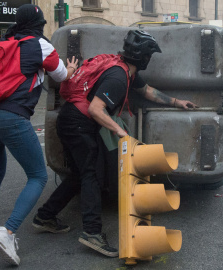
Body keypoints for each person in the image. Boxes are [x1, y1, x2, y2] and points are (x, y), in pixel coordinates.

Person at [32, 30, 198, 258]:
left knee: (81, 174)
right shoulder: (118, 78)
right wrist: (120, 131)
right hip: (78, 124)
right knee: (92, 175)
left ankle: (45, 216)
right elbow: (95, 109)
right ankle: (92, 233)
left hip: (72, 121)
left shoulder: (124, 68)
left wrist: (177, 102)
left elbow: (147, 91)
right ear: (145, 58)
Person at [0, 4, 78, 266]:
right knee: (38, 176)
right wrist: (72, 68)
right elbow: (61, 75)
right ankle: (7, 233)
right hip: (12, 116)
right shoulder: (39, 45)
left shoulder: (1, 44)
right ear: (39, 24)